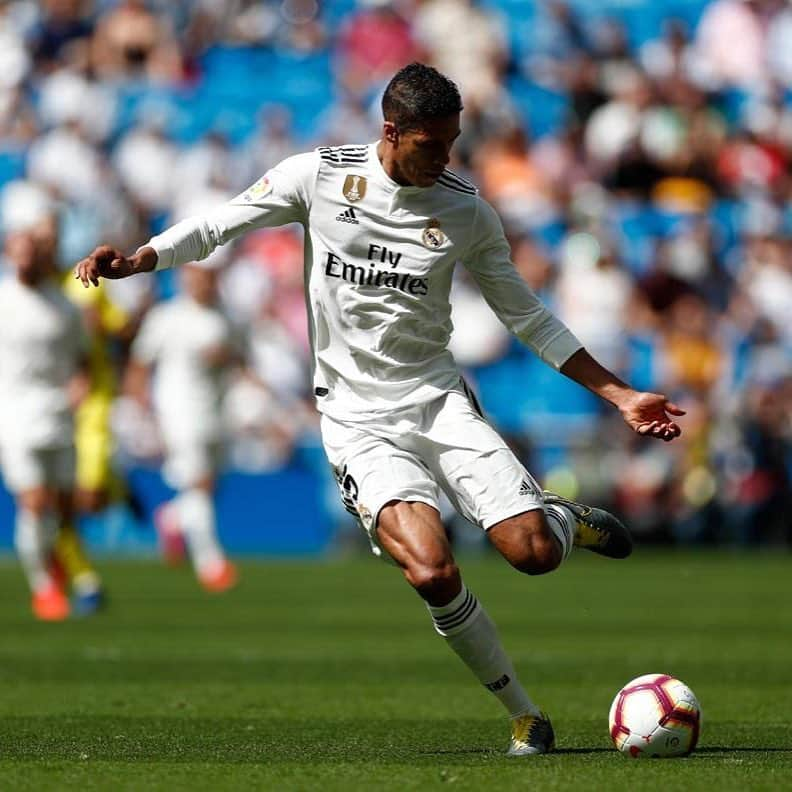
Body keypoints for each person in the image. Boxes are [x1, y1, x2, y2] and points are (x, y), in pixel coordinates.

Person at [74, 63, 684, 754]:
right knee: (431, 570)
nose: (447, 158)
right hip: (356, 418)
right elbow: (221, 223)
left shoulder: (467, 211)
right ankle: (524, 714)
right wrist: (139, 260)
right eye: (434, 144)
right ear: (391, 132)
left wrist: (622, 395)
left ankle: (562, 520)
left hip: (438, 402)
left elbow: (529, 319)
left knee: (533, 554)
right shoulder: (318, 177)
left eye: (454, 143)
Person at [0, 181, 102, 620]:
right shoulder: (4, 297)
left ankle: (58, 571)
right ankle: (44, 588)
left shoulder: (63, 303)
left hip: (58, 413)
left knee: (62, 508)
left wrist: (80, 387)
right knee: (34, 500)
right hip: (15, 412)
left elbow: (82, 360)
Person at [125, 254, 238, 592]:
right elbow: (140, 363)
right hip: (180, 412)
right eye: (198, 274)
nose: (204, 281)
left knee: (209, 485)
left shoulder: (225, 318)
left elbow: (237, 357)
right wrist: (139, 404)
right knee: (198, 482)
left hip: (217, 410)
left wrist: (224, 358)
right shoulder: (167, 317)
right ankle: (210, 562)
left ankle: (172, 518)